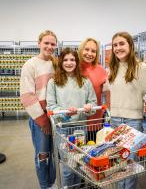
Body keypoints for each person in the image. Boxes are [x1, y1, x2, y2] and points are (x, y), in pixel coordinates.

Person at [105, 31, 146, 189]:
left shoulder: (142, 68)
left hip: (133, 121)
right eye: (115, 45)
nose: (118, 48)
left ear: (130, 46)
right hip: (115, 120)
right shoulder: (112, 69)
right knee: (117, 163)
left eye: (122, 44)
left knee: (129, 163)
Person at [46, 47, 97, 188]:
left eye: (73, 59)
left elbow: (93, 103)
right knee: (68, 167)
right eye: (66, 60)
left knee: (79, 164)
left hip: (81, 129)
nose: (69, 63)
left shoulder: (85, 82)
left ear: (77, 62)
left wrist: (88, 108)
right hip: (62, 130)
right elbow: (51, 106)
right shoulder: (53, 82)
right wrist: (64, 112)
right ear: (61, 62)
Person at [20, 30, 57, 189]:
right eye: (46, 43)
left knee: (55, 154)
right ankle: (44, 185)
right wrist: (43, 121)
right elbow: (27, 96)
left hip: (55, 117)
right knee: (42, 154)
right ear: (39, 44)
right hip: (39, 119)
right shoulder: (30, 65)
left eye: (52, 44)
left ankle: (52, 183)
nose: (49, 46)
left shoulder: (56, 63)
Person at [78, 38, 107, 141]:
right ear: (81, 50)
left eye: (93, 51)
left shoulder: (100, 70)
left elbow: (108, 91)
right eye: (86, 49)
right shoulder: (72, 67)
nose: (89, 53)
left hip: (95, 121)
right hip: (75, 122)